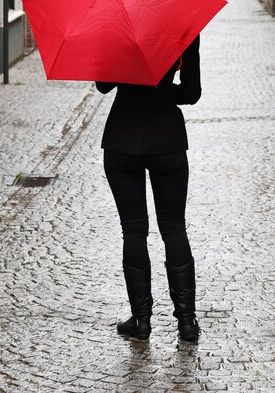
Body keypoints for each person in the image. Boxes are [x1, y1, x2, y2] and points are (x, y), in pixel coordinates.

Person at [96, 35, 202, 342]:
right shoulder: (183, 29)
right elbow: (191, 93)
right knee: (174, 228)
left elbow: (103, 85)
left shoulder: (116, 29)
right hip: (167, 140)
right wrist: (163, 90)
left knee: (133, 231)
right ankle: (187, 322)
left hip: (122, 140)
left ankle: (141, 321)